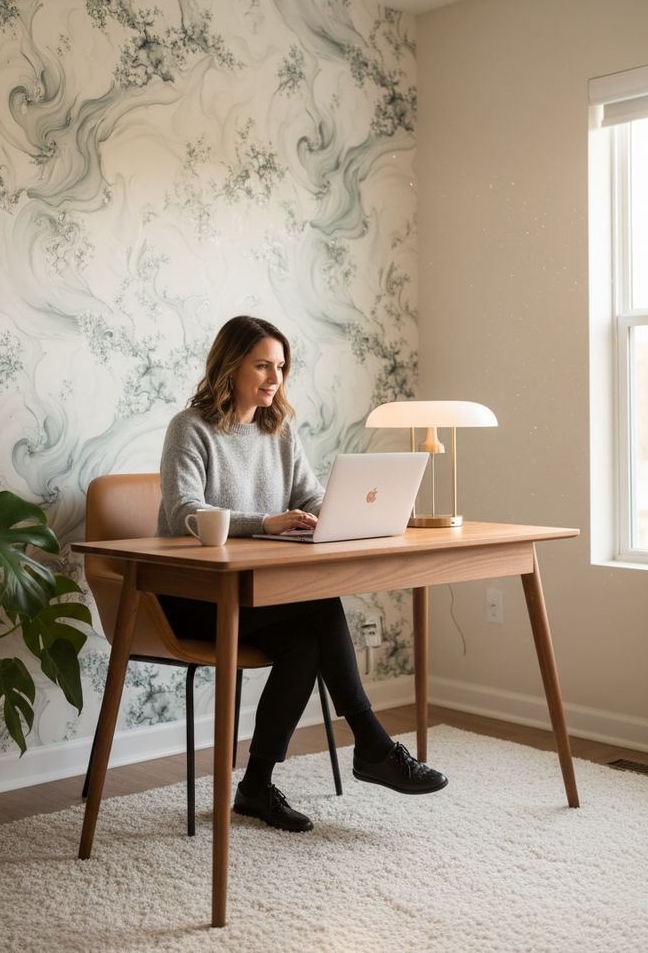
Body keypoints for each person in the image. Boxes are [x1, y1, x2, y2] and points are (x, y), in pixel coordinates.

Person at [156, 315, 447, 833]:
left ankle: (255, 786)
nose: (275, 378)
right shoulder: (190, 428)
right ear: (231, 365)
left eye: (282, 367)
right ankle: (372, 743)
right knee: (319, 604)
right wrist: (267, 522)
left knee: (306, 643)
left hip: (254, 596)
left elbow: (308, 494)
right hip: (191, 596)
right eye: (263, 365)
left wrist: (335, 512)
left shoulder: (278, 428)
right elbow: (184, 512)